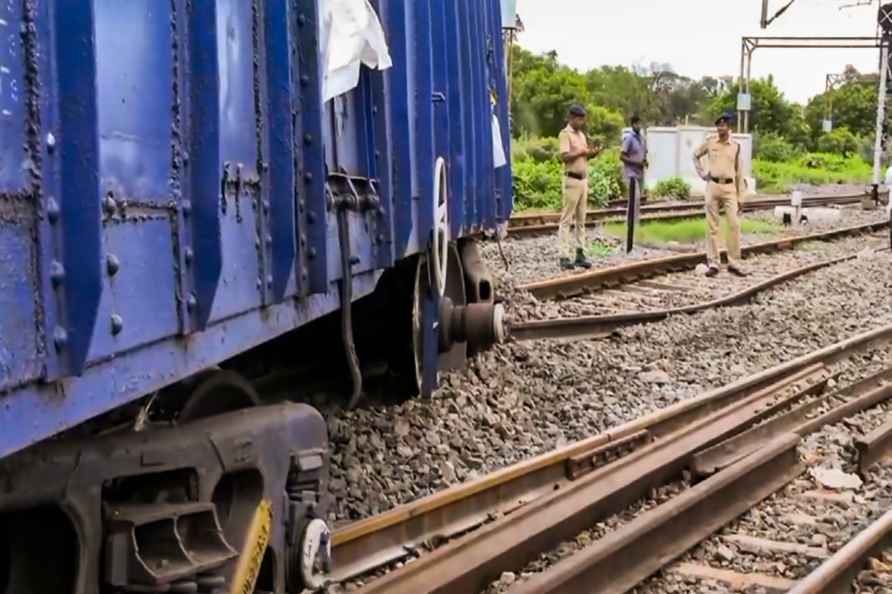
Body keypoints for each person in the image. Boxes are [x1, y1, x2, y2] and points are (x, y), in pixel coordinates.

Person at [693, 112, 748, 278]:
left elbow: (739, 173)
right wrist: (702, 174)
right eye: (718, 125)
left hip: (729, 187)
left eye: (723, 125)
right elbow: (695, 155)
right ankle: (714, 263)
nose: (720, 128)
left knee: (734, 224)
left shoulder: (736, 146)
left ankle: (733, 262)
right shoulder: (710, 143)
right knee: (712, 227)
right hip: (713, 186)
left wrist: (741, 197)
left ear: (729, 127)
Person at [557, 104, 602, 270]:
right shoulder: (565, 134)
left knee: (581, 220)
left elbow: (583, 158)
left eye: (583, 119)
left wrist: (592, 153)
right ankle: (563, 255)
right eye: (579, 118)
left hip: (583, 180)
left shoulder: (582, 135)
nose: (581, 122)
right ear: (571, 118)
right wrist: (582, 152)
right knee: (567, 219)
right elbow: (565, 157)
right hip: (571, 180)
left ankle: (580, 253)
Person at [620, 115, 648, 252]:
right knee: (634, 199)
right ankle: (629, 226)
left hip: (640, 174)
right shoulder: (629, 138)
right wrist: (636, 162)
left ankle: (635, 225)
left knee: (638, 202)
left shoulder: (642, 139)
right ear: (632, 124)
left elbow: (644, 154)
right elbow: (622, 156)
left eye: (640, 123)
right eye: (637, 123)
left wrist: (644, 161)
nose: (639, 126)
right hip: (631, 174)